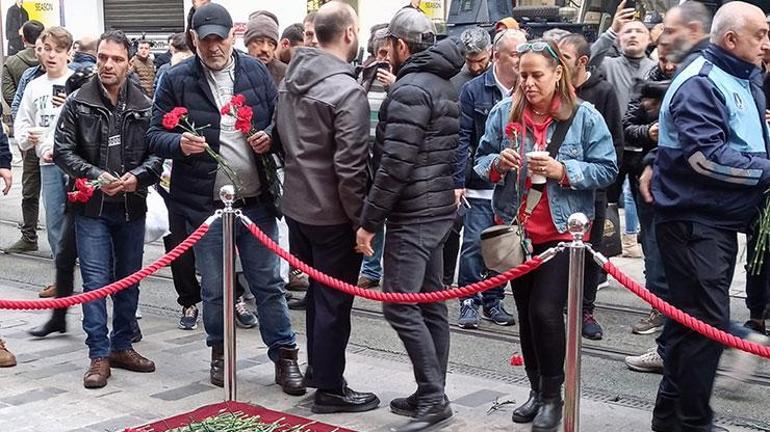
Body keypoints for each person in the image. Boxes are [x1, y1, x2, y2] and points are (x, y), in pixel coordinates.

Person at [147, 3, 304, 396]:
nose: (215, 47)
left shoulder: (255, 71)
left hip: (255, 202)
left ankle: (284, 356)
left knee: (267, 283)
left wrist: (270, 136)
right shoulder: (176, 77)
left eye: (221, 38)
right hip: (205, 207)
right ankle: (220, 351)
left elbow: (279, 122)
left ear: (233, 37)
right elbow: (152, 135)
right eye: (207, 40)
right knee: (216, 288)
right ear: (194, 40)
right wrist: (179, 143)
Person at [474, 39, 617, 431]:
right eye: (523, 75)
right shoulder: (505, 112)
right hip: (517, 233)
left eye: (537, 75)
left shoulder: (585, 117)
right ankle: (536, 390)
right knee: (526, 313)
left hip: (563, 233)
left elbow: (607, 169)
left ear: (559, 73)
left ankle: (554, 397)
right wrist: (497, 164)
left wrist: (563, 170)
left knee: (546, 312)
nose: (529, 83)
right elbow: (480, 159)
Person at [649, 3, 770, 431]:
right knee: (704, 329)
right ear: (731, 39)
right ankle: (693, 421)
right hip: (694, 223)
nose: (767, 43)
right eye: (760, 34)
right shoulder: (702, 81)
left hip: (713, 222)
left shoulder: (743, 78)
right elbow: (705, 158)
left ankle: (671, 419)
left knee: (690, 327)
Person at [356, 8, 463, 431]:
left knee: (399, 305)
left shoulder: (409, 89)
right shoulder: (443, 82)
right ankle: (431, 389)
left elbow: (394, 163)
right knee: (430, 302)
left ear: (401, 46)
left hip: (414, 213)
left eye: (389, 48)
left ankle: (433, 396)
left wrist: (369, 220)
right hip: (436, 208)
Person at [276, 1, 380, 414]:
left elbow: (284, 143)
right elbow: (351, 167)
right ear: (350, 34)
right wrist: (363, 221)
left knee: (321, 298)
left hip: (300, 206)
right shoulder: (345, 90)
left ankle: (321, 372)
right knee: (335, 303)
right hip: (334, 212)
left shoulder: (291, 79)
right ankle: (331, 389)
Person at [54, 30, 162, 389]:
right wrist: (95, 174)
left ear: (130, 63)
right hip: (92, 208)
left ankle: (122, 345)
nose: (107, 65)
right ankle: (98, 354)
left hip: (132, 205)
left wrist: (138, 177)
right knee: (96, 283)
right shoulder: (78, 101)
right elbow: (63, 151)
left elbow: (157, 154)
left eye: (116, 58)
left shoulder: (145, 104)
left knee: (129, 280)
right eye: (102, 57)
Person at [630, 0, 713, 374]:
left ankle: (741, 336)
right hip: (668, 195)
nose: (662, 41)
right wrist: (650, 157)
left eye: (671, 31)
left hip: (691, 207)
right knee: (680, 289)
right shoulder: (675, 75)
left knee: (697, 301)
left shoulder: (701, 76)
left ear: (695, 32)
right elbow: (645, 130)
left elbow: (703, 148)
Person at [455, 29, 526, 330]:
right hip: (481, 181)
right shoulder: (474, 90)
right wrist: (458, 181)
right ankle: (469, 299)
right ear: (497, 56)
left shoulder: (529, 88)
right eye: (515, 54)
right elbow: (462, 139)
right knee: (473, 242)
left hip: (514, 187)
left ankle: (493, 299)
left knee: (504, 247)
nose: (521, 59)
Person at [558, 33, 624, 341]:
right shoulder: (551, 90)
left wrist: (608, 190)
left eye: (565, 59)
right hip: (557, 189)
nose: (558, 65)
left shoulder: (603, 91)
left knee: (589, 252)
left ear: (583, 61)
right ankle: (555, 307)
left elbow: (615, 145)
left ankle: (585, 309)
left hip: (592, 191)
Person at [15, 26, 74, 288]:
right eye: (47, 49)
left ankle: (99, 281)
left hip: (78, 166)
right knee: (54, 224)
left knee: (88, 224)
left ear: (68, 53)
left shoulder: (79, 83)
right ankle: (62, 279)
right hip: (48, 164)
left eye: (58, 50)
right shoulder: (34, 87)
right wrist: (30, 138)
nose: (51, 55)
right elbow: (22, 123)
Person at [602, 19, 655, 258]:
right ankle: (599, 267)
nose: (633, 35)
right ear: (618, 38)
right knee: (604, 208)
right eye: (627, 31)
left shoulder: (656, 69)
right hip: (612, 149)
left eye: (639, 31)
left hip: (645, 150)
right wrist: (610, 31)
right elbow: (586, 61)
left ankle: (651, 268)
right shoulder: (608, 65)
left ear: (649, 38)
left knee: (647, 207)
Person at [1, 20, 44, 257]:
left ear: (22, 37)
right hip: (46, 138)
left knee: (30, 189)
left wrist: (22, 131)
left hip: (31, 137)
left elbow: (10, 97)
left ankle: (29, 235)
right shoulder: (43, 68)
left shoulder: (13, 63)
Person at [245, 14, 286, 85]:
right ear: (247, 43)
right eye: (259, 41)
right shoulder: (235, 69)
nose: (265, 49)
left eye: (271, 43)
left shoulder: (285, 73)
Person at [451, 27, 492, 93]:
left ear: (490, 51)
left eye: (480, 60)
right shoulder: (454, 79)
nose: (475, 68)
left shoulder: (501, 77)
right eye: (469, 61)